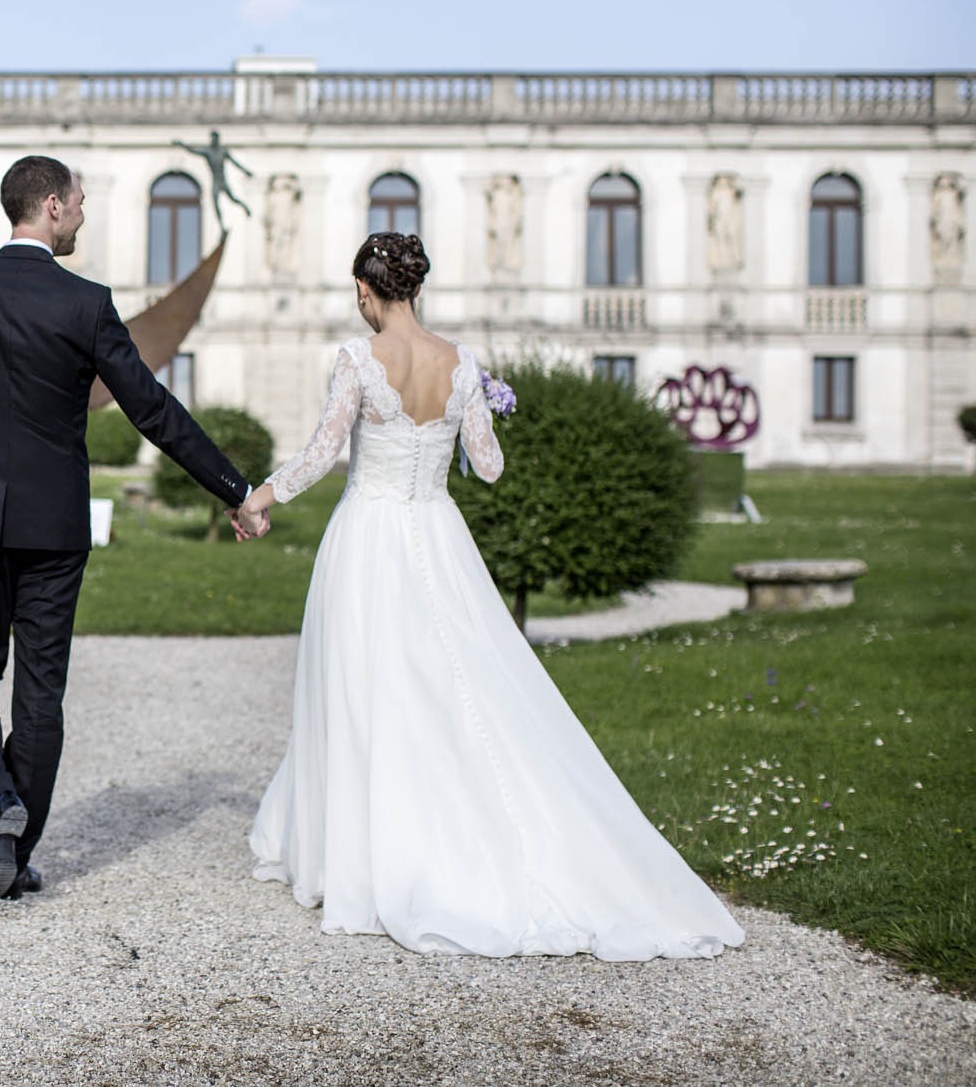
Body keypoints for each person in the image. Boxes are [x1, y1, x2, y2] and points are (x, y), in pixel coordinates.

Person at [233, 232, 745, 960]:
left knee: (362, 688)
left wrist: (258, 499)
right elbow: (492, 467)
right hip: (438, 533)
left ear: (365, 292)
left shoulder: (356, 358)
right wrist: (487, 403)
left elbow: (322, 452)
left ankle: (362, 850)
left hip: (369, 538)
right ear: (418, 286)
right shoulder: (461, 362)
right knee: (456, 681)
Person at [0, 155, 263, 903]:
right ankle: (16, 845)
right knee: (40, 687)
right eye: (83, 203)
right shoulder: (87, 303)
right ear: (54, 206)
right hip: (54, 525)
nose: (86, 216)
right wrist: (236, 488)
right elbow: (153, 410)